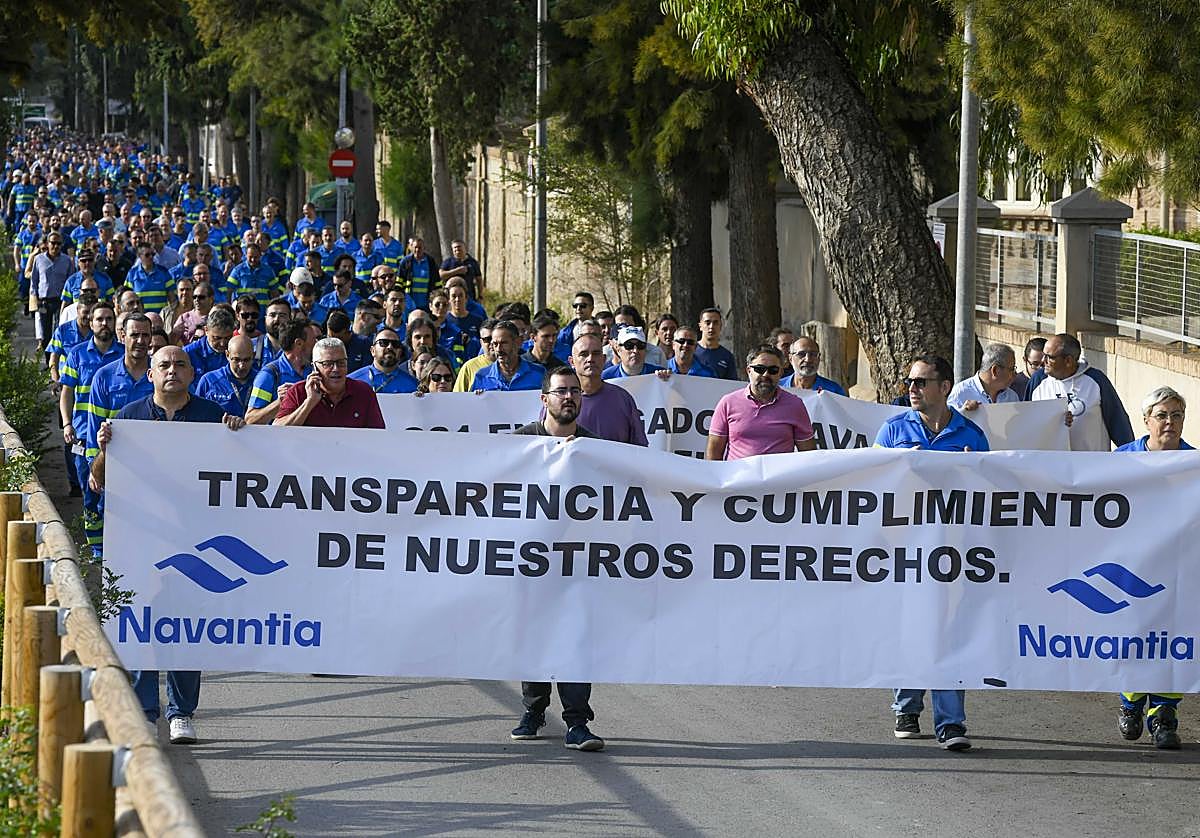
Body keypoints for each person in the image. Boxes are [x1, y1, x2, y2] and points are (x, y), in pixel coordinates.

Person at [92, 345, 245, 745]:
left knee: (185, 626)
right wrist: (105, 449)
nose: (172, 370)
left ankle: (181, 713)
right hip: (142, 539)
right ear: (152, 374)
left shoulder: (213, 417)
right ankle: (145, 711)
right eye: (164, 365)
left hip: (196, 541)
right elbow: (100, 478)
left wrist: (238, 435)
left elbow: (244, 469)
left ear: (193, 373)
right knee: (141, 623)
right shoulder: (129, 418)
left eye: (180, 364)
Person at [874, 354, 989, 752]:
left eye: (922, 382)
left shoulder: (970, 436)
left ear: (944, 388)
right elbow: (872, 486)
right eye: (910, 381)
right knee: (911, 627)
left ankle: (951, 723)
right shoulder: (892, 430)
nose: (913, 388)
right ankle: (906, 705)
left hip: (953, 552)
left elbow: (988, 491)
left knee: (948, 631)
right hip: (904, 551)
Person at [509, 367, 604, 752]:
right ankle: (533, 711)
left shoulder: (596, 448)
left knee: (574, 639)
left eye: (576, 392)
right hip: (527, 563)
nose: (570, 398)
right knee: (533, 635)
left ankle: (577, 723)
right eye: (561, 391)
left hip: (577, 564)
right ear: (544, 398)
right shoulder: (519, 444)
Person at [1113, 386, 1192, 750]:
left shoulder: (1193, 462)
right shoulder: (1121, 460)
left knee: (1174, 637)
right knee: (1133, 633)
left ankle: (1164, 713)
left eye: (1177, 416)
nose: (1170, 423)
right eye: (1162, 415)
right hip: (1131, 565)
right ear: (1146, 421)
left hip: (1179, 567)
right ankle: (1130, 703)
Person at [705, 346, 816, 460]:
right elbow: (713, 451)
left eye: (773, 370)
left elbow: (808, 455)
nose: (766, 375)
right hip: (738, 477)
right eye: (759, 369)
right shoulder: (728, 403)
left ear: (781, 373)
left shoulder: (795, 405)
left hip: (781, 477)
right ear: (749, 371)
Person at [1029, 333, 1134, 450]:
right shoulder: (1038, 380)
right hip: (1052, 463)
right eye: (1044, 355)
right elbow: (1025, 421)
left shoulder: (1096, 380)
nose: (1043, 361)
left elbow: (1118, 422)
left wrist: (1130, 456)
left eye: (1050, 357)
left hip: (1090, 463)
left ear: (1068, 361)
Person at [274, 338, 386, 428]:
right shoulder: (297, 392)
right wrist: (309, 403)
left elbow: (378, 436)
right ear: (314, 367)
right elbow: (277, 430)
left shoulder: (363, 392)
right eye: (328, 363)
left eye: (341, 363)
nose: (336, 369)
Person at [569, 334, 648, 445]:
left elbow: (640, 447)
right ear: (572, 361)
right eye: (583, 354)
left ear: (604, 359)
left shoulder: (623, 399)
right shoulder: (560, 401)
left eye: (596, 354)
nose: (590, 359)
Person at [245, 319, 321, 425]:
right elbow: (250, 419)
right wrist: (279, 403)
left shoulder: (316, 371)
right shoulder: (269, 375)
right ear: (298, 343)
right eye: (314, 340)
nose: (317, 344)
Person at [31, 232, 75, 351]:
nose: (55, 246)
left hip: (59, 302)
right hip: (44, 301)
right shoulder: (38, 259)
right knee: (45, 332)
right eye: (53, 243)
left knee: (57, 330)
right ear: (47, 243)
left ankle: (54, 359)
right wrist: (35, 299)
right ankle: (46, 361)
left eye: (58, 244)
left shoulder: (67, 261)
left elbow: (71, 282)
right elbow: (34, 281)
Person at [195, 335, 257, 417]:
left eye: (246, 360)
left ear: (253, 356)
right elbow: (196, 415)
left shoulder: (262, 380)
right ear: (227, 355)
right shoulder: (209, 381)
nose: (241, 366)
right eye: (236, 360)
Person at [474, 321, 544, 391]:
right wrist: (477, 398)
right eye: (495, 344)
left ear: (518, 342)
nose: (498, 349)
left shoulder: (539, 373)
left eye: (504, 343)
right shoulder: (482, 376)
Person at [948, 343, 1020, 411]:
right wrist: (963, 413)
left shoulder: (1012, 397)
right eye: (1011, 369)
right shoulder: (960, 394)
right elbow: (945, 422)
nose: (1015, 374)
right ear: (995, 371)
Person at [347, 329, 419, 393]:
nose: (390, 347)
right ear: (373, 351)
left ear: (400, 352)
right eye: (384, 343)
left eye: (395, 344)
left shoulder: (413, 385)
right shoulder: (352, 382)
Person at [782, 336, 847, 395]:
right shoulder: (778, 388)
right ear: (790, 358)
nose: (808, 360)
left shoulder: (833, 390)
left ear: (819, 358)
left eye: (813, 354)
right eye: (801, 354)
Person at [183, 306, 237, 377]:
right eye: (217, 338)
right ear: (206, 330)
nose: (222, 343)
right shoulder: (188, 353)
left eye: (227, 338)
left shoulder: (237, 351)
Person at [695, 307, 738, 380]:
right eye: (707, 323)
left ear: (720, 326)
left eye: (715, 323)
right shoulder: (690, 350)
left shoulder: (727, 356)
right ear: (700, 326)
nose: (711, 327)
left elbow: (731, 384)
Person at [397, 237, 439, 310]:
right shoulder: (405, 262)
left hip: (427, 303)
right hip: (409, 303)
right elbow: (399, 282)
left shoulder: (430, 261)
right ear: (411, 248)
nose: (417, 250)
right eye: (415, 247)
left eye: (420, 247)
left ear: (424, 248)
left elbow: (437, 282)